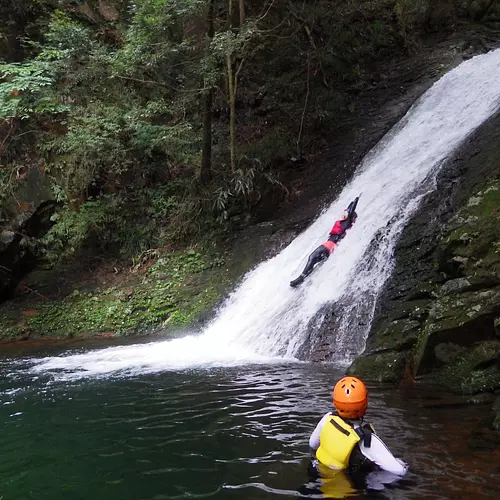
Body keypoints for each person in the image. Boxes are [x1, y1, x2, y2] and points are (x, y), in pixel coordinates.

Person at [309, 377, 408, 477]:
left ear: (336, 403)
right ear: (365, 405)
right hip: (347, 488)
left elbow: (312, 444)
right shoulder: (367, 439)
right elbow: (399, 471)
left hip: (319, 475)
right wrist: (402, 463)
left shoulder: (327, 418)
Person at [289, 196, 359, 287]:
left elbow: (351, 209)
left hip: (330, 245)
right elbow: (349, 209)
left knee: (312, 257)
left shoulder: (346, 222)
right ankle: (303, 278)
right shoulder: (345, 222)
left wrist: (356, 199)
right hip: (332, 247)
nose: (343, 213)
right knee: (314, 261)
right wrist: (351, 202)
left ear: (350, 215)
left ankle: (301, 278)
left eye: (346, 212)